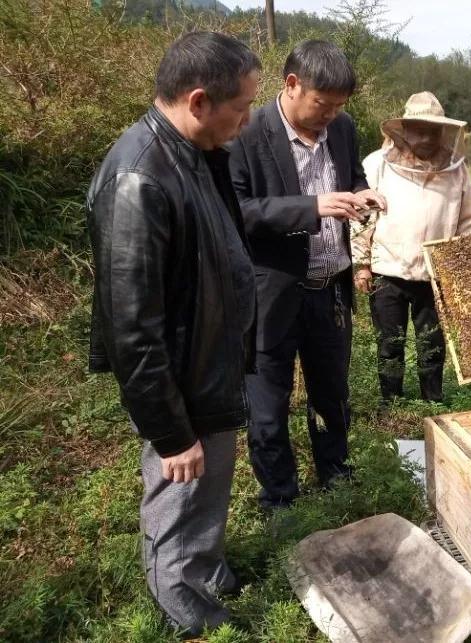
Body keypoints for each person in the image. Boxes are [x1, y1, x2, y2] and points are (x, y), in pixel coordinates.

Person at [86, 32, 260, 636]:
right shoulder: (138, 178)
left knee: (208, 490)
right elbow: (131, 327)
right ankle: (185, 614)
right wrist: (170, 432)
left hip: (207, 367)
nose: (245, 122)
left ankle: (205, 573)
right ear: (198, 100)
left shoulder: (194, 152)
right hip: (180, 386)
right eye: (240, 109)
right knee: (179, 496)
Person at [229, 40, 385, 510]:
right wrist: (311, 208)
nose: (331, 115)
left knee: (332, 391)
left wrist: (363, 193)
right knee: (268, 402)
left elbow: (352, 176)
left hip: (329, 289)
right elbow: (236, 211)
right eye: (323, 104)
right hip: (272, 292)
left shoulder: (343, 129)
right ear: (292, 85)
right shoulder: (246, 132)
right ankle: (279, 496)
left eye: (339, 107)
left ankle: (335, 472)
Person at [352, 91, 471, 406]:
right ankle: (391, 404)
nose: (425, 136)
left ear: (442, 131)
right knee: (390, 344)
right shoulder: (377, 164)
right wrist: (361, 263)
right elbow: (361, 218)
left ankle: (432, 402)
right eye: (418, 129)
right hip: (388, 271)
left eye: (431, 129)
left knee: (432, 345)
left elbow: (468, 220)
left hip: (437, 273)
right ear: (405, 130)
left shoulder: (457, 170)